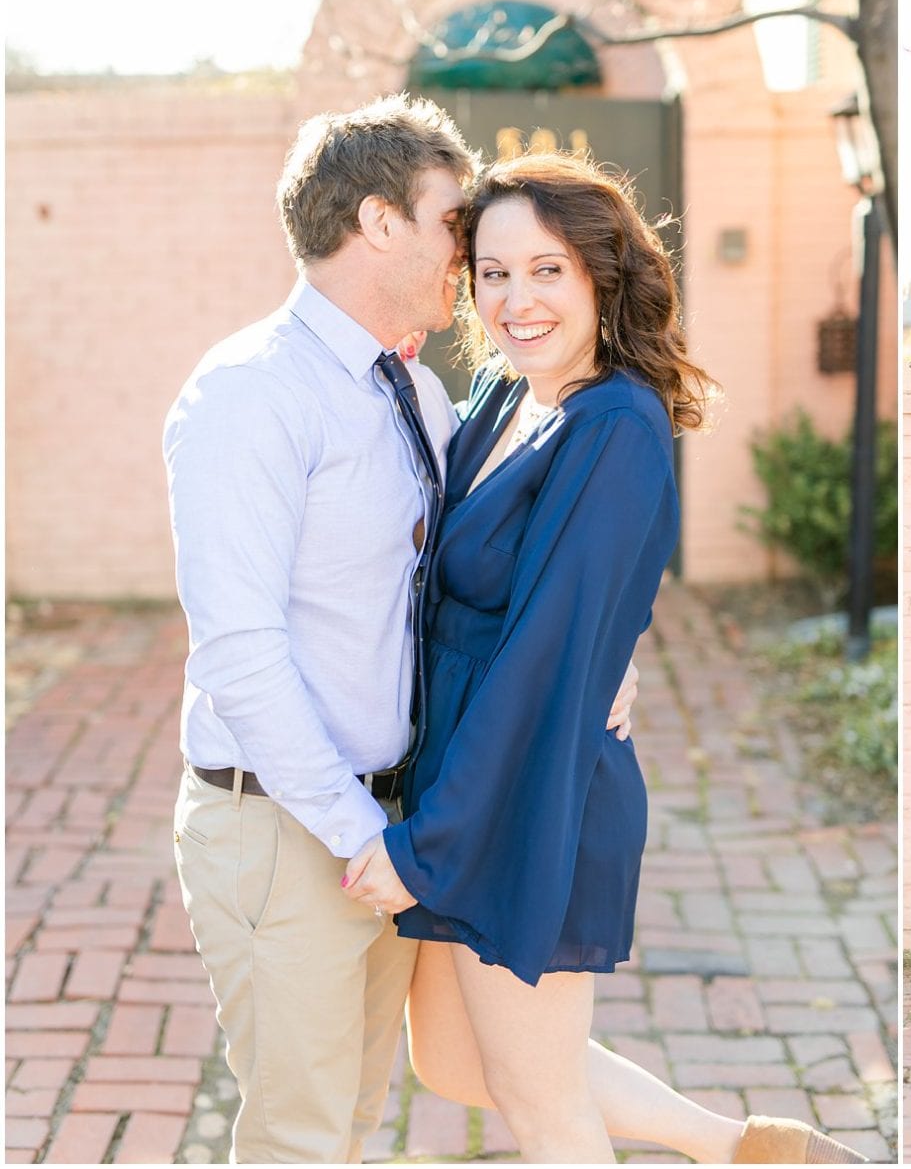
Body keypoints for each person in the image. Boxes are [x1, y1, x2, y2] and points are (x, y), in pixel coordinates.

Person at [339, 151, 866, 1165]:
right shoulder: (504, 393)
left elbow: (546, 651)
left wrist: (425, 844)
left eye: (547, 270)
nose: (516, 298)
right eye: (493, 272)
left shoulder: (615, 423)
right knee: (453, 1058)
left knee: (541, 1108)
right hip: (465, 774)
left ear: (599, 273)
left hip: (527, 792)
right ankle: (749, 1148)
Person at [163, 94, 476, 1161]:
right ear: (380, 220)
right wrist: (360, 838)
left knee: (351, 1119)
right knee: (300, 1138)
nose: (466, 252)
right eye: (452, 220)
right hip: (287, 833)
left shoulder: (420, 394)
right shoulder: (251, 394)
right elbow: (239, 653)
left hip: (382, 827)